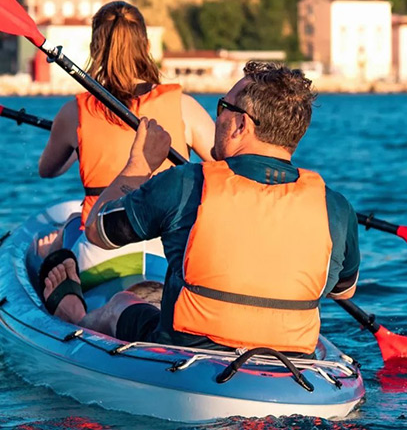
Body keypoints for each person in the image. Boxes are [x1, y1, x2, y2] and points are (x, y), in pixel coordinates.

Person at [39, 61, 360, 356]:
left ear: (240, 125)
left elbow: (97, 232)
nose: (216, 116)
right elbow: (344, 291)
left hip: (188, 347)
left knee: (121, 304)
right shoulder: (336, 207)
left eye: (222, 108)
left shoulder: (188, 183)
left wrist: (140, 165)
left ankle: (73, 313)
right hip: (293, 356)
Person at [37, 0, 217, 230]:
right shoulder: (184, 107)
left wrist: (77, 148)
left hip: (102, 239)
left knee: (67, 227)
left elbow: (47, 170)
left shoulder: (73, 114)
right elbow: (226, 167)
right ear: (147, 46)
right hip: (167, 240)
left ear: (95, 49)